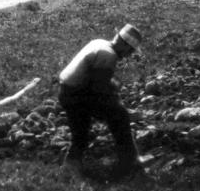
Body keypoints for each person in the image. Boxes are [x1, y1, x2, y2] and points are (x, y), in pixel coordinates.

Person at [57, 24, 145, 179]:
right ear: (124, 45)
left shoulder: (99, 43)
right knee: (120, 118)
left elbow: (95, 78)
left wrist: (112, 91)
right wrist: (118, 106)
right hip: (76, 95)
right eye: (130, 50)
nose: (129, 55)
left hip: (68, 91)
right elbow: (99, 89)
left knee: (81, 132)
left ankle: (71, 167)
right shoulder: (108, 55)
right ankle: (129, 162)